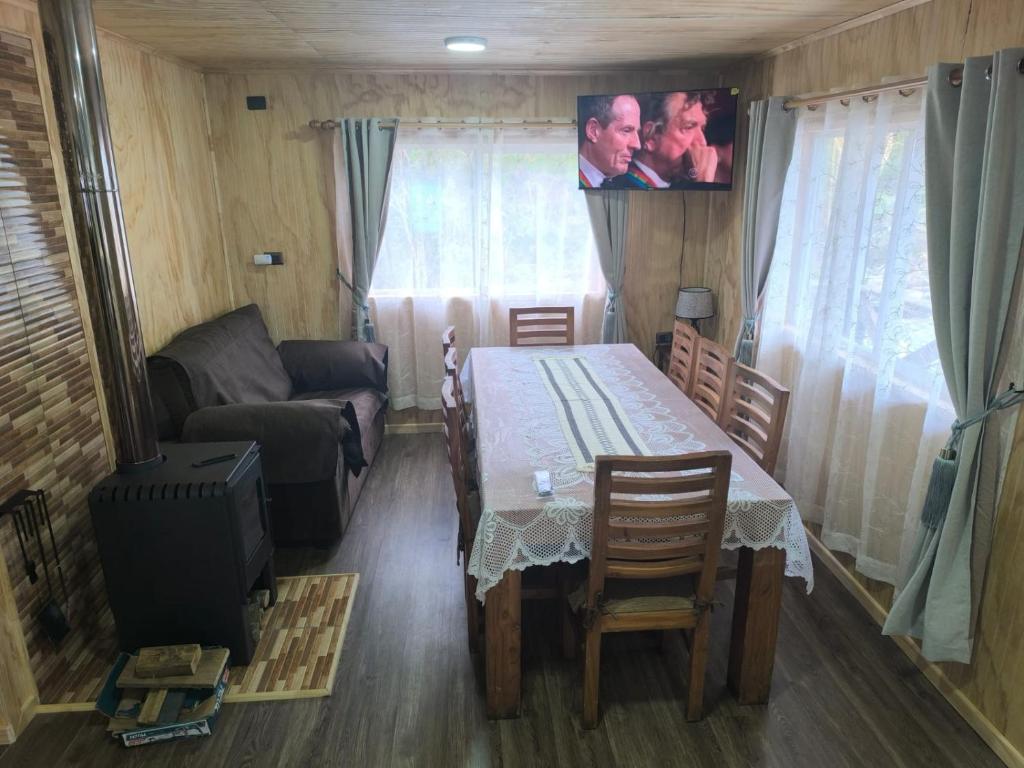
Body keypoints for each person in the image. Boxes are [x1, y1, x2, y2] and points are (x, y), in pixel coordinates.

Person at [619, 91, 718, 189]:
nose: (702, 142)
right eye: (688, 127)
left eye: (702, 129)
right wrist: (702, 182)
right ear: (652, 136)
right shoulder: (625, 186)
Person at [577, 94, 641, 188]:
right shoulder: (565, 186)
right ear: (593, 131)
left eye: (637, 132)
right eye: (626, 130)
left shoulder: (621, 185)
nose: (637, 144)